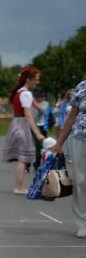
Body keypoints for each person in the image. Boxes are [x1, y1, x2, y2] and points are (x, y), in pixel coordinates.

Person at [2, 67, 44, 194]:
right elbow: (28, 114)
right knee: (23, 158)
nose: (37, 82)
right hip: (22, 124)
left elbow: (33, 108)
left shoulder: (19, 92)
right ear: (29, 79)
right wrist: (37, 133)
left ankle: (19, 186)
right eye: (36, 79)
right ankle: (19, 186)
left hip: (17, 123)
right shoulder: (26, 93)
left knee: (22, 157)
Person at [54, 79, 86, 238]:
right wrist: (60, 142)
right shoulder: (82, 86)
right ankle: (82, 223)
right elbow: (72, 117)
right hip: (81, 138)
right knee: (80, 181)